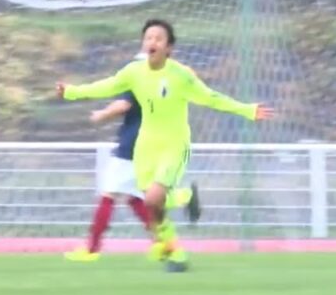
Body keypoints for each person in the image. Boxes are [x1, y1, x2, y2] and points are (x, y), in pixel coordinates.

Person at [57, 19, 272, 271]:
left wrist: (247, 110)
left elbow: (211, 98)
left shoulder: (180, 75)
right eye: (148, 38)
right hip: (145, 146)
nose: (152, 42)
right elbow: (106, 86)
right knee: (150, 203)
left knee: (153, 197)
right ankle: (176, 252)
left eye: (158, 38)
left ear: (169, 48)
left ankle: (182, 200)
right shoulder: (134, 72)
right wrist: (72, 92)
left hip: (174, 145)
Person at [65, 50, 201, 263]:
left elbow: (123, 105)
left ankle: (91, 249)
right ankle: (164, 239)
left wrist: (101, 114)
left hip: (132, 146)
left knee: (108, 194)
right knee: (137, 198)